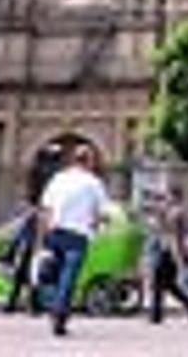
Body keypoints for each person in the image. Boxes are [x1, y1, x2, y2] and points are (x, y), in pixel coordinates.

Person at [39, 143, 110, 337]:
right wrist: (98, 225)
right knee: (68, 279)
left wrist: (45, 235)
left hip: (56, 232)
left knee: (53, 274)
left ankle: (53, 307)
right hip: (77, 236)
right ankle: (59, 315)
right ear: (89, 161)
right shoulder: (94, 183)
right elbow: (102, 213)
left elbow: (46, 209)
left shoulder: (58, 179)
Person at [146, 188, 188, 325]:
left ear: (175, 197)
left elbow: (173, 234)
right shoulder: (171, 212)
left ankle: (156, 316)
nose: (166, 199)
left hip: (170, 251)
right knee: (169, 285)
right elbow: (161, 229)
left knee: (160, 282)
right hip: (168, 249)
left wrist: (178, 257)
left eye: (168, 196)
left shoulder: (177, 213)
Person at [4, 204, 41, 314]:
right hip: (32, 253)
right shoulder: (35, 220)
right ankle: (32, 307)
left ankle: (12, 305)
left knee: (20, 281)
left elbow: (18, 239)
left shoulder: (27, 222)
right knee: (31, 281)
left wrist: (10, 254)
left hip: (26, 253)